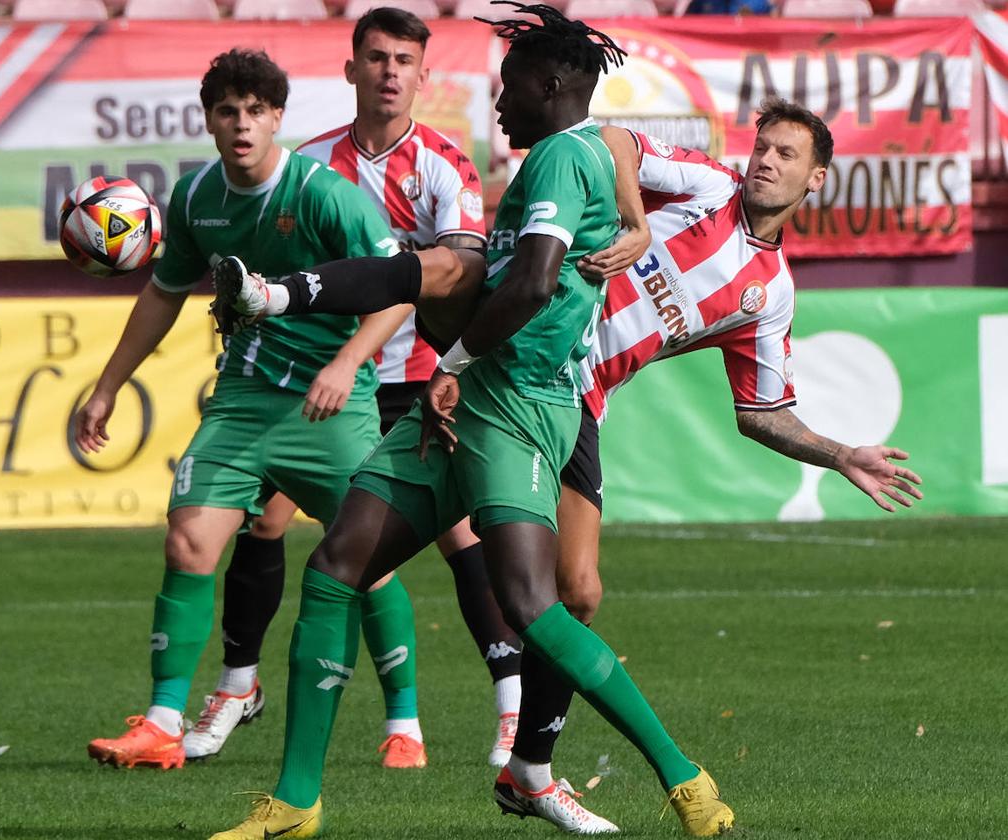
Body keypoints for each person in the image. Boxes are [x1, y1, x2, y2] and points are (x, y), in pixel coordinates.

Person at [208, 4, 736, 837]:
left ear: (554, 84)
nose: (498, 100)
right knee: (336, 565)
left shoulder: (564, 156)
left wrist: (447, 369)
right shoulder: (585, 152)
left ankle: (686, 780)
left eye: (512, 84)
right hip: (469, 401)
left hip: (518, 407)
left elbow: (531, 283)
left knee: (532, 602)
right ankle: (295, 803)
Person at [506, 98, 925, 823]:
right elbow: (612, 140)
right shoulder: (703, 184)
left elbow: (760, 410)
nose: (765, 160)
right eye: (762, 147)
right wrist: (636, 222)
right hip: (525, 357)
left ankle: (527, 770)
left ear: (815, 180)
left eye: (786, 155)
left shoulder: (771, 295)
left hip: (581, 402)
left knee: (577, 592)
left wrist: (840, 455)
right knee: (421, 547)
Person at [193, 7, 523, 770]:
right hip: (316, 380)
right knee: (265, 521)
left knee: (458, 537)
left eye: (404, 60)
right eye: (375, 58)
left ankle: (508, 705)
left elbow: (463, 271)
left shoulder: (445, 166)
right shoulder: (306, 166)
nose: (389, 72)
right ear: (351, 70)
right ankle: (239, 683)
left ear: (422, 76)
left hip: (413, 379)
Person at [79, 48, 415, 772]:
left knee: (370, 560)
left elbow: (400, 289)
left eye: (256, 111)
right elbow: (165, 293)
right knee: (188, 543)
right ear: (208, 119)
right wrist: (107, 386)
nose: (241, 124)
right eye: (228, 110)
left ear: (277, 120)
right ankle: (163, 721)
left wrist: (347, 362)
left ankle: (404, 722)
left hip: (331, 406)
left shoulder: (326, 195)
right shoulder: (196, 197)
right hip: (240, 399)